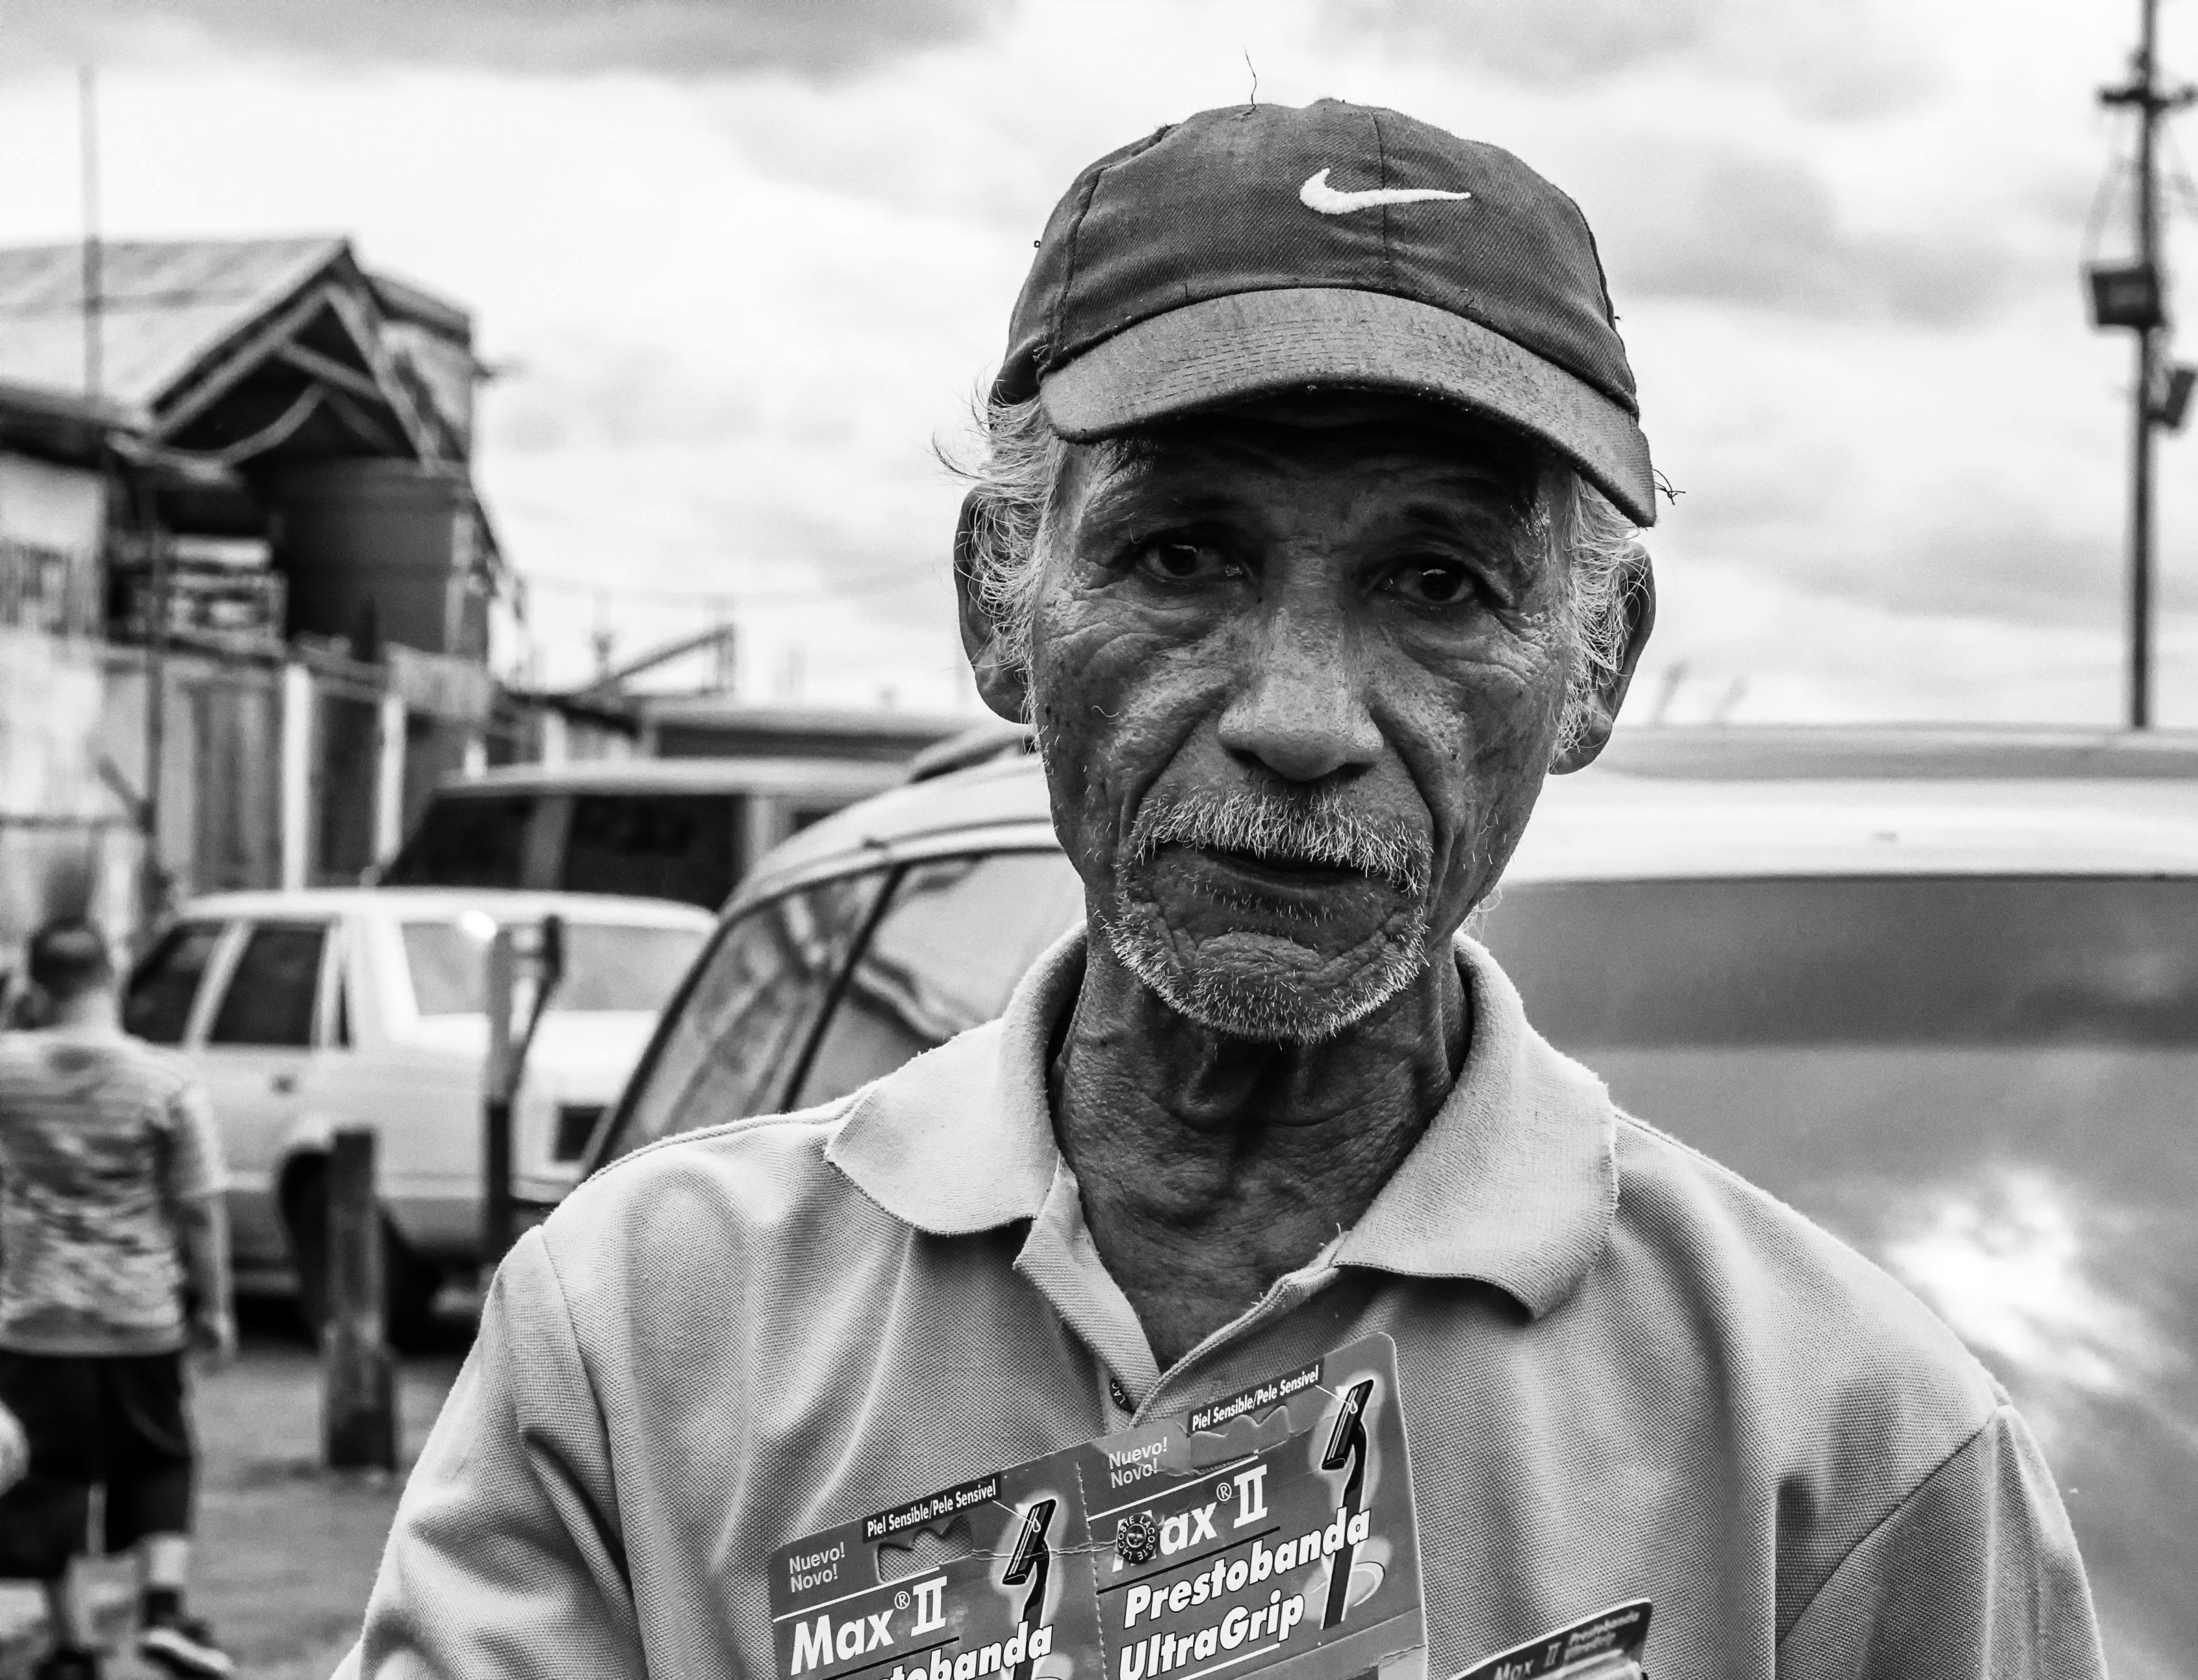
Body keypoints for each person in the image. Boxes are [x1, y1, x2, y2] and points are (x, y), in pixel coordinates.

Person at [339, 101, 2102, 1677]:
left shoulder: (1846, 1450)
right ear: (996, 604)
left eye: (1436, 579)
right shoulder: (638, 1342)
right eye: (1181, 556)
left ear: (1591, 669)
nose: (1298, 720)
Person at [0, 918, 236, 1680]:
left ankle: (72, 1649)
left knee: (48, 1478)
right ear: (116, 976)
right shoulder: (165, 1080)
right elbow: (198, 1205)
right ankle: (163, 1609)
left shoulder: (5, 1072)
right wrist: (216, 1305)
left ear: (35, 989)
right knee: (160, 1458)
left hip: (36, 1321)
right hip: (140, 1317)